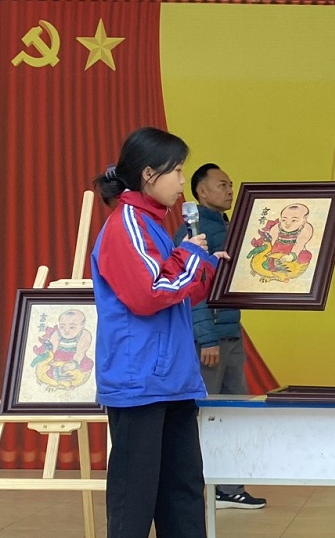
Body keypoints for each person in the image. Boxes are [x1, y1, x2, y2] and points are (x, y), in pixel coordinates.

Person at [92, 127, 226, 537]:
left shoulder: (152, 224)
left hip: (172, 380)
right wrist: (191, 256)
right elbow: (148, 294)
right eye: (178, 171)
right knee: (134, 500)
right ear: (149, 174)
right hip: (140, 382)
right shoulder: (127, 224)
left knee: (182, 493)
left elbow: (176, 293)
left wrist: (207, 266)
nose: (183, 181)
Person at [173, 162, 267, 510]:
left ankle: (227, 488)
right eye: (222, 185)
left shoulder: (228, 226)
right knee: (208, 414)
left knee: (233, 411)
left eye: (230, 184)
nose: (230, 190)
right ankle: (197, 487)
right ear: (201, 192)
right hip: (210, 339)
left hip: (230, 332)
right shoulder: (194, 230)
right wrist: (207, 337)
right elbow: (191, 288)